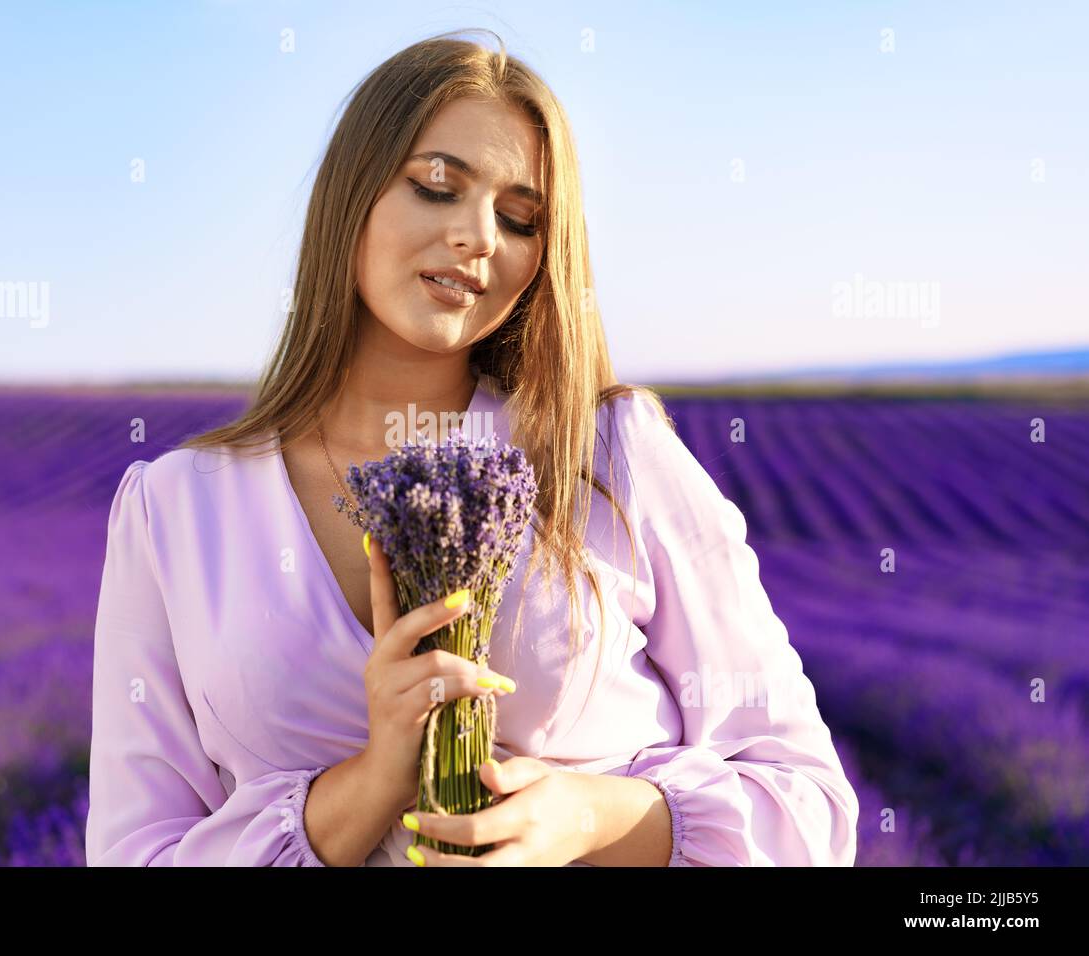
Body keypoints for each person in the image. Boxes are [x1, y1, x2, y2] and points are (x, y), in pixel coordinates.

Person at [85, 29, 858, 867]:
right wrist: (374, 777)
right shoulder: (177, 508)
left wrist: (589, 818)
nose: (479, 235)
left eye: (520, 218)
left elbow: (808, 805)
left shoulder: (609, 453)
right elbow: (135, 852)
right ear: (352, 193)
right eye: (436, 187)